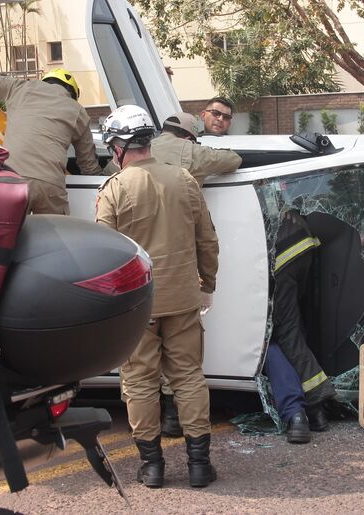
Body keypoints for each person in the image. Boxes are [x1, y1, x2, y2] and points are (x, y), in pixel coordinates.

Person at [95, 105, 220, 489]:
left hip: (136, 306)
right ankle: (199, 465)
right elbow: (207, 240)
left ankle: (152, 467)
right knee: (188, 378)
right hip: (183, 298)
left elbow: (104, 254)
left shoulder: (114, 189)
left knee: (139, 382)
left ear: (118, 146)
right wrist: (208, 284)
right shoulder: (184, 180)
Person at [149, 112, 240, 437]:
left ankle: (152, 438)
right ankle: (181, 422)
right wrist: (209, 283)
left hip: (142, 266)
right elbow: (233, 160)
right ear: (189, 136)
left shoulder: (141, 152)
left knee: (145, 353)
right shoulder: (192, 154)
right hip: (180, 264)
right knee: (183, 351)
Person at [0, 62, 103, 214]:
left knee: (9, 236)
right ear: (72, 94)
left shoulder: (18, 87)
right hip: (49, 185)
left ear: (45, 81)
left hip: (12, 179)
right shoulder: (77, 110)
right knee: (54, 238)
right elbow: (88, 165)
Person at [270, 208, 338, 434]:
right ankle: (316, 414)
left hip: (283, 255)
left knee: (285, 333)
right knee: (294, 327)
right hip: (301, 243)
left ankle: (317, 401)